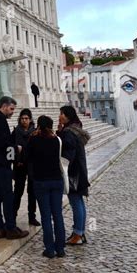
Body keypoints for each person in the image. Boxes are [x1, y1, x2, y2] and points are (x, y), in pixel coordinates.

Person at [0, 96, 29, 240]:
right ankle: (10, 228)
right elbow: (2, 144)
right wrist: (15, 148)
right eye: (11, 109)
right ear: (4, 106)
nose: (12, 112)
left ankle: (0, 228)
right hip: (1, 164)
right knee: (7, 196)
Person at [25, 115, 66, 258]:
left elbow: (27, 157)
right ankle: (60, 248)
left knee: (46, 217)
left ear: (38, 126)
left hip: (41, 181)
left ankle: (49, 249)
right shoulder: (56, 140)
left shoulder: (34, 140)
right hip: (56, 180)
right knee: (58, 215)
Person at [57, 105, 90, 245]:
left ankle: (77, 234)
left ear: (68, 116)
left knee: (75, 202)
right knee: (79, 202)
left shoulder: (69, 133)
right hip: (80, 170)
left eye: (62, 114)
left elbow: (68, 154)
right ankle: (80, 232)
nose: (59, 116)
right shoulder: (75, 129)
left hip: (73, 173)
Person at [13, 109, 40, 227]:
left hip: (32, 165)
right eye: (22, 118)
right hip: (19, 165)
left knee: (32, 191)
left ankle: (32, 216)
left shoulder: (35, 132)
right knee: (18, 191)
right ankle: (13, 215)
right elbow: (10, 148)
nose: (24, 121)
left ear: (30, 119)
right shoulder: (15, 132)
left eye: (26, 118)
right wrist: (15, 159)